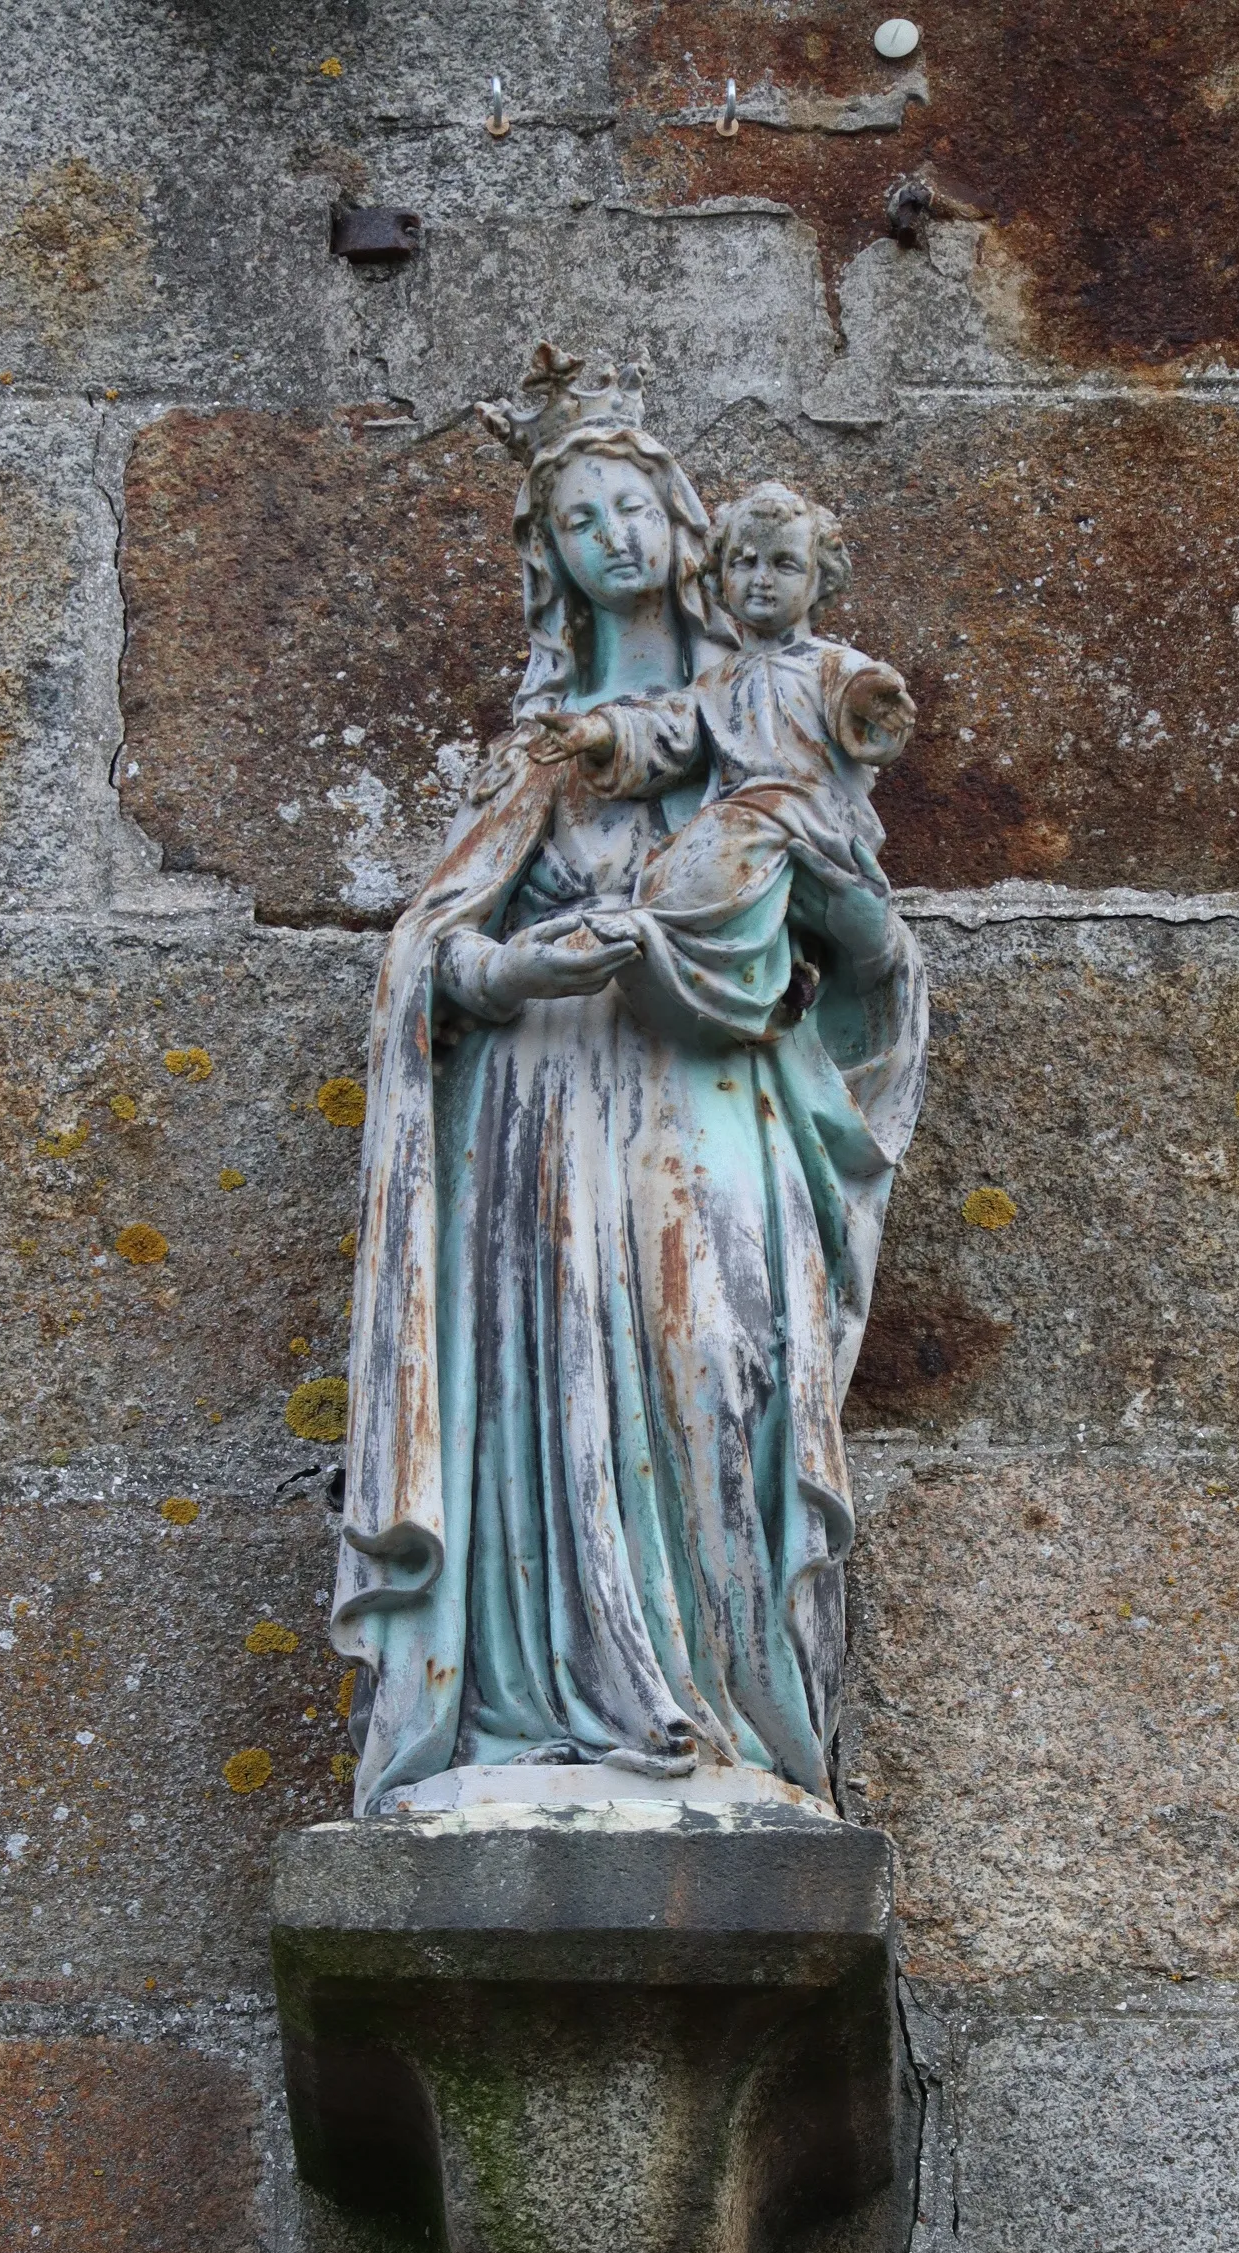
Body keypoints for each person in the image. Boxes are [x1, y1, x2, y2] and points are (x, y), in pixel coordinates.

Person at [330, 353, 928, 1816]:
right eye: (580, 521)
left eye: (632, 510)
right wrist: (515, 974)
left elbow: (867, 974)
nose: (613, 539)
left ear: (685, 523)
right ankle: (531, 1723)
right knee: (543, 1412)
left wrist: (835, 893)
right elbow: (436, 961)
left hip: (705, 1102)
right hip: (536, 1124)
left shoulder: (768, 717)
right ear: (554, 561)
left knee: (714, 1368)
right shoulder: (552, 759)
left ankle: (735, 1732)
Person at [532, 479, 916, 1042]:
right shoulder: (716, 683)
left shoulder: (831, 666)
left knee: (729, 837)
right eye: (744, 561)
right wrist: (599, 731)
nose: (760, 579)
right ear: (718, 576)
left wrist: (876, 709)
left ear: (819, 579)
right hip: (744, 825)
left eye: (784, 563)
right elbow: (667, 732)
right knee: (681, 855)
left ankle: (677, 935)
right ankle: (735, 972)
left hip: (814, 819)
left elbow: (869, 708)